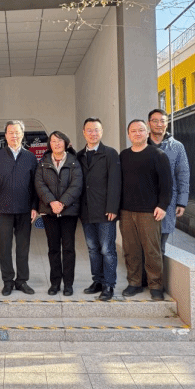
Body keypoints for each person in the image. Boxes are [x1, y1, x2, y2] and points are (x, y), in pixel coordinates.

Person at [119, 119, 172, 301]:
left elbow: (167, 184)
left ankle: (155, 285)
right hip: (126, 211)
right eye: (133, 131)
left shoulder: (158, 155)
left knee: (152, 251)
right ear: (128, 134)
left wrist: (163, 206)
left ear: (147, 132)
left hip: (150, 212)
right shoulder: (124, 156)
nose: (137, 133)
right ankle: (134, 283)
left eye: (141, 130)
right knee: (130, 250)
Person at [0, 120, 39, 296]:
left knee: (23, 248)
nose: (14, 135)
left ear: (22, 134)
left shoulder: (30, 157)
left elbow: (36, 185)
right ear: (5, 135)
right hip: (3, 211)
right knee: (5, 248)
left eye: (17, 132)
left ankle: (22, 281)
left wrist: (34, 206)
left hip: (25, 210)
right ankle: (7, 282)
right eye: (11, 132)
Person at [77, 118, 122, 301]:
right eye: (89, 130)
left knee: (107, 249)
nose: (93, 133)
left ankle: (109, 285)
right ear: (83, 132)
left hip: (105, 211)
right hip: (86, 210)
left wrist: (112, 207)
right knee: (92, 249)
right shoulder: (79, 156)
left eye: (96, 130)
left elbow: (115, 182)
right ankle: (97, 281)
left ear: (101, 132)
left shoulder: (110, 153)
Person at [35, 131, 83, 296]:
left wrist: (62, 203)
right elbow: (39, 184)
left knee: (68, 248)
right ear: (49, 144)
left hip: (69, 211)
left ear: (66, 143)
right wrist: (52, 202)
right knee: (53, 248)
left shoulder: (74, 162)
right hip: (49, 211)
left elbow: (76, 185)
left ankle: (68, 284)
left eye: (60, 141)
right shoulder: (43, 162)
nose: (57, 144)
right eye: (53, 141)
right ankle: (55, 283)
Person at [147, 109, 190, 254]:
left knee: (160, 247)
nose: (159, 124)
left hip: (167, 203)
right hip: (144, 202)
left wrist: (181, 202)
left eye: (162, 121)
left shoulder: (177, 147)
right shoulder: (141, 145)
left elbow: (183, 174)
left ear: (167, 123)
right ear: (148, 123)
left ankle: (158, 270)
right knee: (143, 245)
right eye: (155, 121)